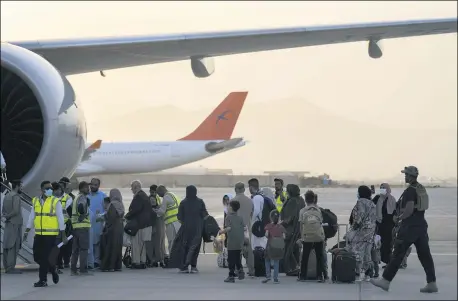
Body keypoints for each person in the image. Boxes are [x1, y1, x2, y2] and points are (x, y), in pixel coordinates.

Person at [371, 166, 438, 293]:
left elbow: (409, 208)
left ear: (411, 176)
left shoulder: (410, 191)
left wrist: (399, 218)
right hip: (421, 226)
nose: (405, 176)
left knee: (397, 254)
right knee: (425, 255)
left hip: (409, 227)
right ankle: (432, 282)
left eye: (406, 174)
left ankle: (385, 281)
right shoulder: (420, 189)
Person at [23, 180, 67, 287]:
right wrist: (27, 230)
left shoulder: (55, 201)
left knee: (44, 258)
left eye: (51, 188)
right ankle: (53, 269)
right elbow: (32, 217)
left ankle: (43, 280)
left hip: (51, 235)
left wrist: (63, 233)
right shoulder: (36, 201)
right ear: (42, 190)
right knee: (36, 257)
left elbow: (61, 218)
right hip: (39, 234)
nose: (50, 190)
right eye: (47, 188)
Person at [346, 185, 377, 280]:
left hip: (361, 231)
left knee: (357, 250)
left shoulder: (361, 202)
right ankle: (368, 272)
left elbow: (361, 215)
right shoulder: (372, 203)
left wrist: (355, 225)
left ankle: (357, 271)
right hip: (371, 230)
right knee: (367, 251)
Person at [177, 185, 208, 273]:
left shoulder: (183, 203)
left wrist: (184, 222)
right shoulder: (200, 202)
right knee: (195, 247)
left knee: (185, 247)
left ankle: (184, 266)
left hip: (186, 228)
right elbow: (205, 215)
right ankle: (193, 266)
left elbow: (179, 217)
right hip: (198, 228)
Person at [298, 190, 325, 282]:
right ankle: (319, 276)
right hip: (318, 237)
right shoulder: (318, 210)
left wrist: (302, 237)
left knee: (305, 257)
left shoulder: (302, 211)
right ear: (314, 199)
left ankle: (302, 276)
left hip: (307, 237)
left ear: (305, 200)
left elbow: (301, 225)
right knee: (319, 257)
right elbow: (320, 222)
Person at [125, 180, 153, 269]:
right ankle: (142, 261)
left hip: (139, 224)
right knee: (142, 245)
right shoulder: (144, 195)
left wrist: (127, 216)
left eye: (132, 188)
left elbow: (135, 210)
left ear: (136, 187)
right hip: (145, 223)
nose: (131, 190)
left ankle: (136, 262)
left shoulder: (139, 196)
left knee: (136, 244)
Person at [280, 184, 305, 276]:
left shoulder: (292, 201)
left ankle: (292, 268)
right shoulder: (301, 200)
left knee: (288, 249)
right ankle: (296, 267)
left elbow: (289, 217)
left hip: (291, 229)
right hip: (299, 228)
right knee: (295, 249)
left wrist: (280, 224)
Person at [231, 182, 255, 276]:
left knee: (237, 250)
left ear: (235, 189)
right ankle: (252, 270)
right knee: (248, 249)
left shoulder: (233, 201)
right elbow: (251, 214)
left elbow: (231, 216)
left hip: (236, 228)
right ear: (244, 190)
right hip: (247, 228)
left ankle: (238, 270)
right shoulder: (250, 201)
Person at [219, 200, 245, 283]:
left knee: (231, 259)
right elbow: (244, 228)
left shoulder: (228, 217)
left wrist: (221, 232)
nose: (228, 207)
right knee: (237, 258)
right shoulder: (240, 218)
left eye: (229, 206)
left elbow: (229, 228)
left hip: (232, 242)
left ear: (231, 208)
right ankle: (240, 270)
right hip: (239, 241)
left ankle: (231, 275)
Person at [2, 179, 23, 274]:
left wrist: (6, 217)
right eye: (21, 186)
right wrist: (8, 216)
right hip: (15, 223)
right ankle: (11, 267)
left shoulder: (7, 196)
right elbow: (16, 211)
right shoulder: (16, 197)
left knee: (7, 245)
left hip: (8, 223)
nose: (21, 188)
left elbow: (3, 210)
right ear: (17, 186)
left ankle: (6, 266)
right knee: (13, 245)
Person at [70, 181, 92, 276]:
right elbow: (80, 207)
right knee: (83, 249)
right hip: (82, 227)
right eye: (87, 187)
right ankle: (83, 270)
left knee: (75, 250)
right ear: (82, 188)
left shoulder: (76, 197)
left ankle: (73, 270)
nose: (88, 189)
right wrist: (82, 215)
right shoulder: (82, 197)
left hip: (75, 227)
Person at [100, 189, 124, 272]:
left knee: (110, 246)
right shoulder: (121, 204)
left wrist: (104, 217)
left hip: (113, 228)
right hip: (120, 228)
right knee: (118, 246)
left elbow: (111, 217)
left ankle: (109, 265)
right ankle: (117, 265)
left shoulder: (112, 204)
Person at [372, 183, 396, 266]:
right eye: (381, 187)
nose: (382, 189)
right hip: (379, 223)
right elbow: (370, 205)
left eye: (384, 187)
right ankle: (377, 261)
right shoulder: (377, 198)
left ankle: (388, 261)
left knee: (387, 243)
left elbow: (395, 211)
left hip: (389, 224)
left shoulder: (392, 199)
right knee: (378, 243)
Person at [53, 181, 73, 271]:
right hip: (55, 223)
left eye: (60, 187)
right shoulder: (52, 198)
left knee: (67, 244)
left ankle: (66, 261)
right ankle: (58, 262)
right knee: (57, 244)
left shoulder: (68, 198)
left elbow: (63, 209)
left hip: (66, 223)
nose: (59, 189)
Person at [156, 185, 181, 254]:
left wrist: (154, 211)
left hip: (171, 224)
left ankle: (172, 260)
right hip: (178, 222)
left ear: (161, 191)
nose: (159, 196)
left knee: (171, 242)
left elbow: (162, 211)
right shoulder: (173, 195)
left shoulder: (166, 197)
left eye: (158, 193)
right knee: (178, 242)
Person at [263, 210, 286, 284]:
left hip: (270, 246)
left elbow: (266, 235)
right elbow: (284, 237)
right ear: (279, 218)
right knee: (276, 261)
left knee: (267, 260)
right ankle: (275, 278)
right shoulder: (281, 227)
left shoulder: (268, 226)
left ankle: (268, 276)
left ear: (270, 218)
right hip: (278, 247)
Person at [88, 178, 107, 268]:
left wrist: (101, 216)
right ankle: (89, 261)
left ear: (99, 186)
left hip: (98, 223)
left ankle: (96, 260)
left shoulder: (103, 196)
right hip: (88, 223)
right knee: (89, 242)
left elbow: (107, 209)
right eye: (91, 184)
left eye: (95, 185)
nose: (93, 186)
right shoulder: (86, 195)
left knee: (97, 242)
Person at [147, 185, 166, 267]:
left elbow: (153, 213)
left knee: (155, 243)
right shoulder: (158, 198)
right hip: (159, 224)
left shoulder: (153, 198)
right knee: (159, 243)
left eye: (154, 192)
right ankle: (160, 259)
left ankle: (155, 260)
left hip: (156, 224)